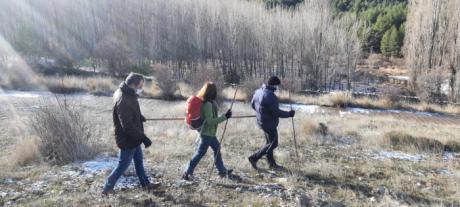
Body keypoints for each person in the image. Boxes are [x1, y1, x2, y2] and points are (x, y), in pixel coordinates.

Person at [102, 73, 158, 196]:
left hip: (134, 137)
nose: (141, 88)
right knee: (123, 165)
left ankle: (146, 185)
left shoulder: (128, 93)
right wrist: (143, 137)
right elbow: (127, 126)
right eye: (140, 85)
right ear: (133, 84)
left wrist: (139, 117)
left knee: (139, 162)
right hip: (127, 139)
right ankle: (107, 189)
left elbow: (130, 113)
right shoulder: (123, 99)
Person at [182, 82, 233, 180]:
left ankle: (221, 170)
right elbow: (210, 121)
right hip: (207, 134)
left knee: (216, 149)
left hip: (210, 133)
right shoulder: (208, 104)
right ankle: (187, 172)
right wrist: (224, 117)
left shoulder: (207, 102)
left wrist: (225, 115)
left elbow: (210, 118)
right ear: (212, 92)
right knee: (200, 153)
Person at [248, 76, 295, 170]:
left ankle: (271, 163)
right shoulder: (270, 96)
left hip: (261, 122)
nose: (277, 88)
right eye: (277, 86)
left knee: (269, 143)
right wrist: (289, 114)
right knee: (273, 143)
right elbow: (276, 112)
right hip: (269, 123)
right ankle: (254, 157)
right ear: (275, 85)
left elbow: (252, 104)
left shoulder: (258, 91)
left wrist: (261, 112)